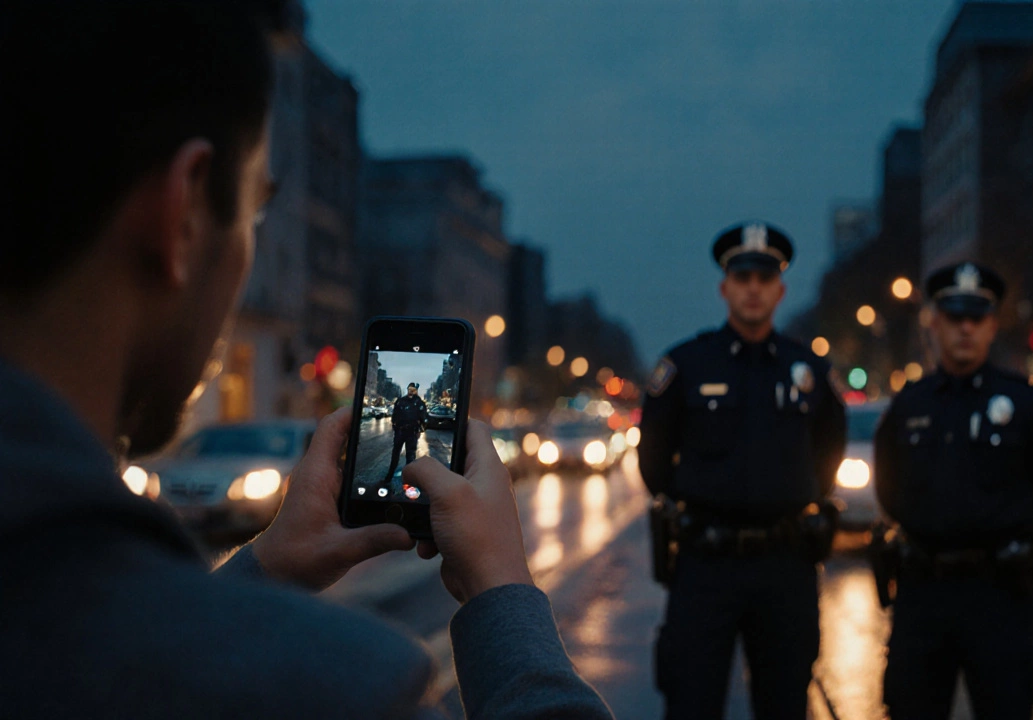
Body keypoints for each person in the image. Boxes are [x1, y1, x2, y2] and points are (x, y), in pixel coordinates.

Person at [0, 2, 612, 718]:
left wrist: (264, 569)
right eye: (257, 208)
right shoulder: (339, 689)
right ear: (184, 212)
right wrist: (504, 589)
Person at [637, 222, 846, 720]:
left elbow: (830, 447)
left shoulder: (809, 369)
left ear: (780, 289)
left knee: (785, 702)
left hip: (786, 566)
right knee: (691, 700)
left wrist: (800, 492)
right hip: (704, 565)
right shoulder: (686, 364)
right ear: (724, 287)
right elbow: (654, 458)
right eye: (743, 276)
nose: (753, 287)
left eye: (764, 277)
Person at [872, 262, 1033, 719]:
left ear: (992, 325)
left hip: (1000, 596)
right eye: (954, 317)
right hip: (923, 597)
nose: (965, 329)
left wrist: (1026, 539)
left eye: (976, 317)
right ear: (934, 323)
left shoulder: (1026, 403)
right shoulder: (910, 403)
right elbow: (890, 487)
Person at [387, 381, 428, 488]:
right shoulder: (400, 401)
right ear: (407, 389)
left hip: (412, 433)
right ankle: (389, 476)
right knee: (395, 454)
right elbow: (394, 416)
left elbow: (423, 418)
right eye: (409, 389)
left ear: (416, 391)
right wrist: (395, 427)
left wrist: (420, 430)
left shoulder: (419, 403)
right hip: (400, 431)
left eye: (413, 390)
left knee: (410, 457)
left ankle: (409, 481)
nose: (411, 392)